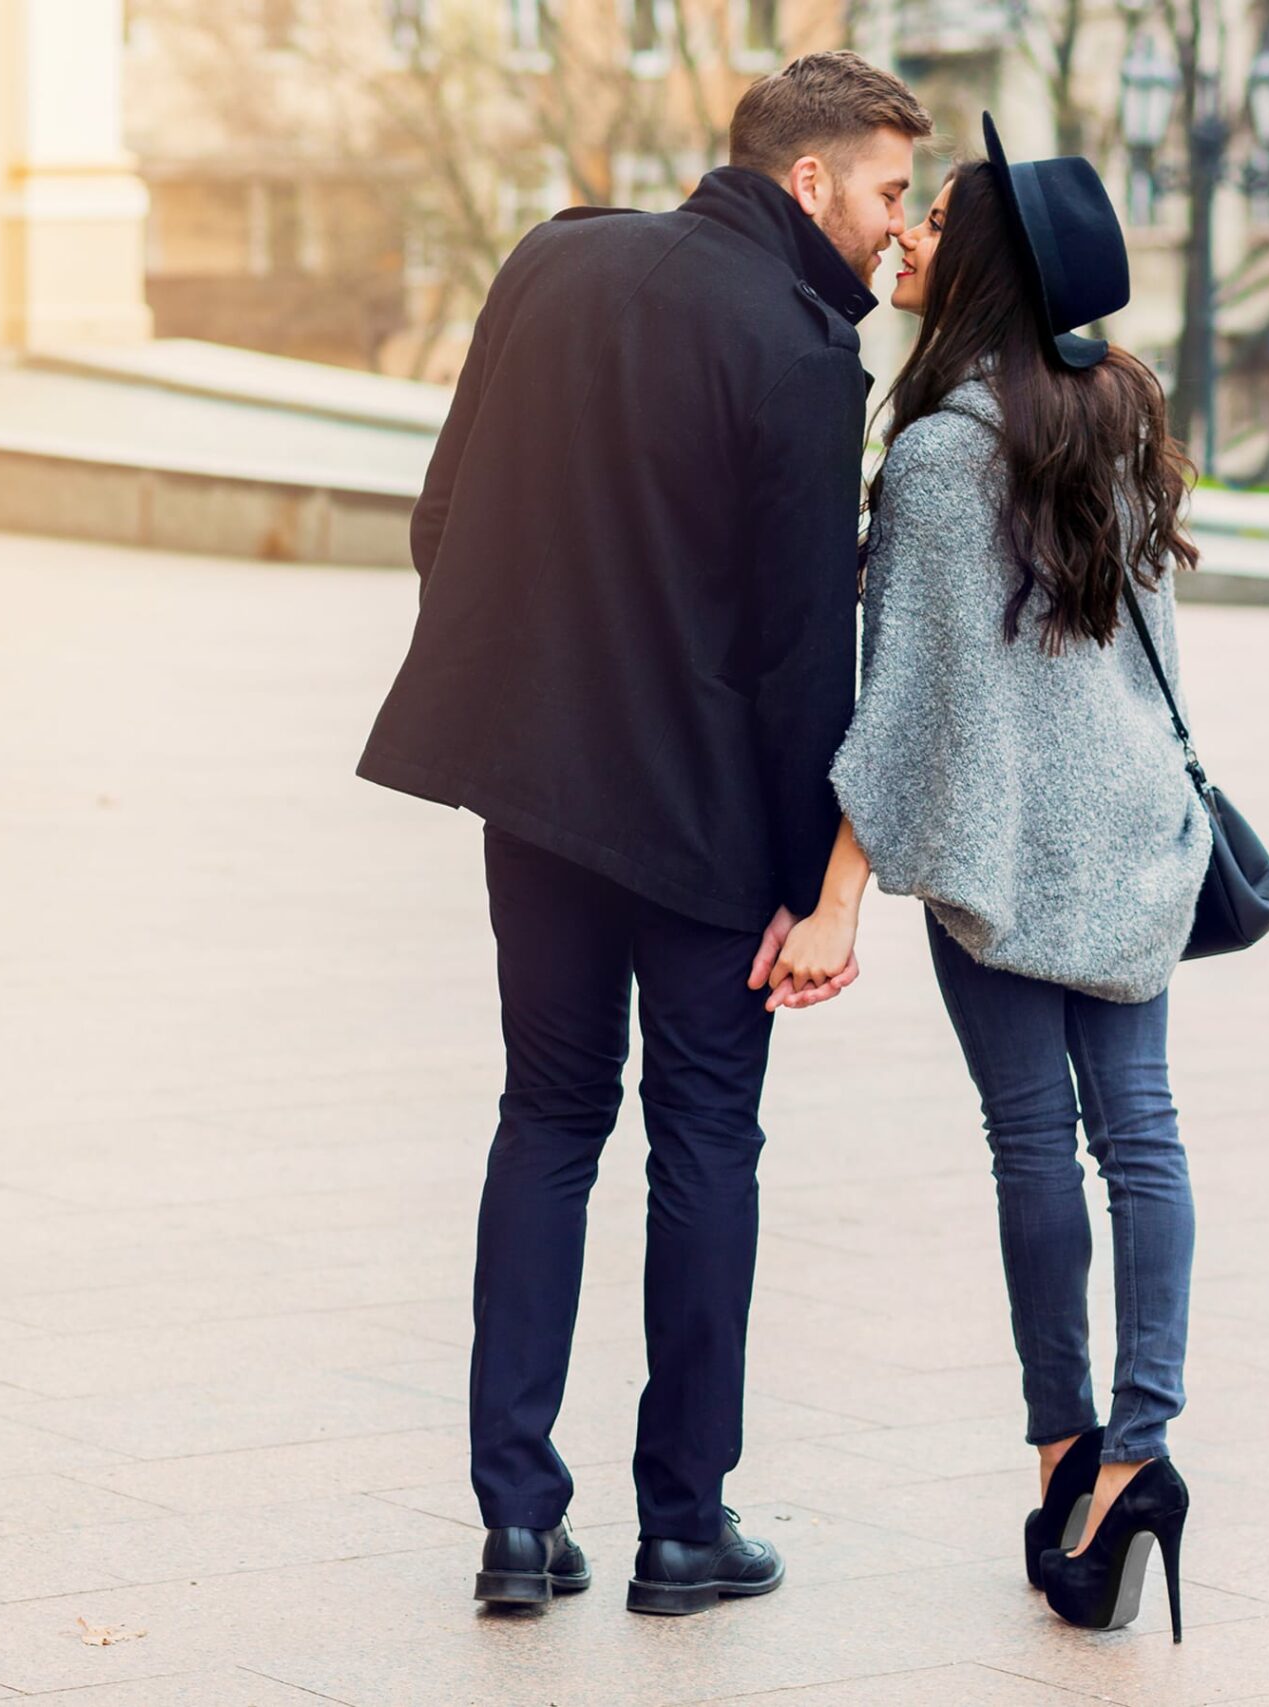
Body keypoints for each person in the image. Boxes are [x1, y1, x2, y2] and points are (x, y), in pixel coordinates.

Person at [355, 53, 932, 1616]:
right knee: (702, 1146)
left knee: (544, 1121)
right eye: (888, 192)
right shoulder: (804, 354)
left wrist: (532, 702)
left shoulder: (553, 255)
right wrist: (816, 888)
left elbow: (440, 519)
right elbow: (808, 657)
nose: (900, 230)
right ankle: (685, 1525)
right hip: (703, 839)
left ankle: (517, 1527)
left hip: (536, 801)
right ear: (806, 181)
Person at [765, 114, 1211, 1641]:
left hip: (1014, 854)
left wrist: (834, 900)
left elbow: (905, 709)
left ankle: (1062, 1460)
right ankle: (1140, 1450)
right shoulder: (1124, 413)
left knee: (1037, 1151)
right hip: (1137, 835)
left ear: (992, 268)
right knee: (1139, 1141)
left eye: (936, 219)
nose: (909, 238)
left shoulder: (949, 453)